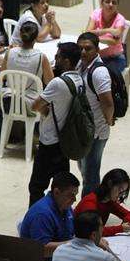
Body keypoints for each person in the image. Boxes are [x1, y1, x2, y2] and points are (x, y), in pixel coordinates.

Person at [28, 43, 83, 206]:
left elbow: (35, 105)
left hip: (50, 141)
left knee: (37, 187)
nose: (55, 59)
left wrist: (46, 112)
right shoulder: (79, 80)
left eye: (58, 57)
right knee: (62, 187)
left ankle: (35, 222)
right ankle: (60, 218)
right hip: (65, 141)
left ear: (66, 61)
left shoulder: (58, 83)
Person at [77, 32, 116, 196]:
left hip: (97, 132)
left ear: (97, 50)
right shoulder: (81, 65)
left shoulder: (99, 73)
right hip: (84, 130)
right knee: (84, 169)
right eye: (80, 48)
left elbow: (107, 102)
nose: (83, 52)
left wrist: (108, 120)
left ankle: (89, 213)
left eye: (88, 48)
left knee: (91, 175)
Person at [51, 211, 128, 261]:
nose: (103, 229)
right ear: (94, 235)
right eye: (101, 226)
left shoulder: (59, 250)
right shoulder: (103, 257)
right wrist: (107, 248)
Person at [20, 171, 79, 257]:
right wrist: (74, 244)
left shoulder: (65, 206)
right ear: (56, 192)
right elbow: (42, 249)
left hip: (61, 256)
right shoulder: (42, 215)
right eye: (71, 195)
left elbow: (73, 231)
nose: (74, 199)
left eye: (75, 195)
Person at [75, 168, 130, 239]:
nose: (121, 195)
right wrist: (121, 228)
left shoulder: (109, 201)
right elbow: (93, 231)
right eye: (120, 190)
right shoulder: (90, 202)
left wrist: (126, 224)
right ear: (110, 184)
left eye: (123, 192)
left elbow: (129, 215)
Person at [86, 0, 127, 72]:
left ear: (117, 5)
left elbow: (114, 42)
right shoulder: (96, 14)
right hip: (97, 57)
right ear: (102, 3)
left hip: (115, 58)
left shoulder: (120, 19)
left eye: (114, 2)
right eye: (107, 1)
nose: (110, 4)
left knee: (106, 77)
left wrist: (95, 37)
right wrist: (109, 30)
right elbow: (87, 33)